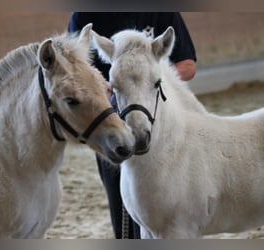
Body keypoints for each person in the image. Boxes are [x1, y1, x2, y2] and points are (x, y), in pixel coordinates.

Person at [68, 12, 197, 239]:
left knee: (163, 205)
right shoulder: (84, 15)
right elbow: (74, 70)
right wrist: (111, 86)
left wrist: (147, 77)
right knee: (121, 203)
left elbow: (187, 65)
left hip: (155, 118)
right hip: (110, 118)